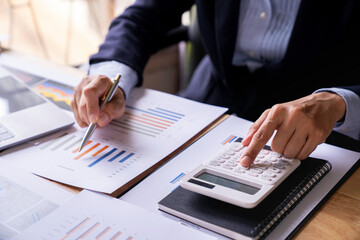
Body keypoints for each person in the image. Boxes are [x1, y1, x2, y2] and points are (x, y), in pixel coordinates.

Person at [71, 0, 360, 167]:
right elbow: (143, 16)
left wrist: (338, 103)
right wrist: (112, 74)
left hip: (323, 126)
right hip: (214, 98)